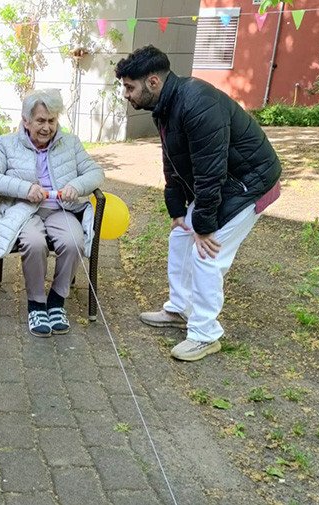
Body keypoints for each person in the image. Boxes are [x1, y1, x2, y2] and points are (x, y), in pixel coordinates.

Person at [115, 45, 282, 362]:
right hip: (226, 183)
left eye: (129, 87)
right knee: (180, 235)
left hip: (249, 183)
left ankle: (206, 335)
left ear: (152, 82)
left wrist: (204, 227)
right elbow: (173, 162)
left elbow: (210, 172)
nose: (126, 94)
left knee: (207, 254)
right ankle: (181, 310)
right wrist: (178, 209)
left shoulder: (197, 102)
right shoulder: (166, 106)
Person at [0, 89, 105, 338]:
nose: (47, 128)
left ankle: (56, 301)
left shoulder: (71, 143)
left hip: (61, 209)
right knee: (33, 243)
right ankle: (36, 304)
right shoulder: (6, 143)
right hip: (24, 211)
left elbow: (96, 173)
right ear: (26, 121)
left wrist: (75, 187)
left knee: (73, 240)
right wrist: (25, 189)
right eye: (40, 121)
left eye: (52, 121)